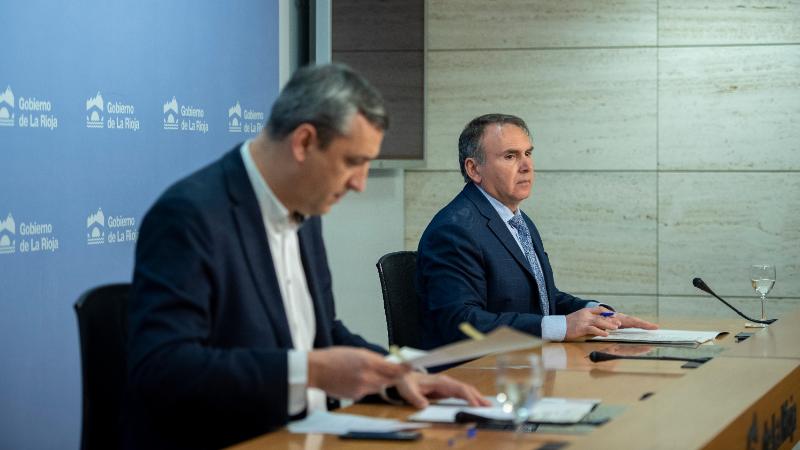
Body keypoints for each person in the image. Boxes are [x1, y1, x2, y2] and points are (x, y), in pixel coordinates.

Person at [124, 64, 488, 450]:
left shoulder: (306, 211)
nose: (360, 184)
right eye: (353, 161)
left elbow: (322, 331)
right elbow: (163, 369)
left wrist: (397, 374)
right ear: (303, 142)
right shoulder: (190, 216)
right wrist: (310, 371)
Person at [416, 113, 657, 349]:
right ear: (474, 169)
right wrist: (562, 327)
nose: (526, 166)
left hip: (526, 364)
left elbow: (542, 298)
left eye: (528, 153)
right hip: (476, 374)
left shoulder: (518, 221)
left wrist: (598, 313)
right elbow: (460, 322)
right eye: (510, 156)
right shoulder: (454, 229)